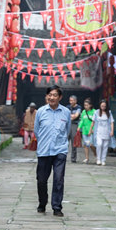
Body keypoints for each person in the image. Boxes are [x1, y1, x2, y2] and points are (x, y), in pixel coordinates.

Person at [33, 86, 70, 217]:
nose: (51, 97)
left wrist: (63, 144)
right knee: (41, 180)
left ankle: (57, 207)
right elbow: (36, 131)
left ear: (60, 97)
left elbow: (67, 130)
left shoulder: (66, 112)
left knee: (59, 179)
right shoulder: (40, 112)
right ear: (46, 96)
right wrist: (44, 141)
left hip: (60, 150)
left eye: (54, 95)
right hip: (44, 150)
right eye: (49, 95)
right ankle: (42, 203)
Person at [90, 99, 114, 166]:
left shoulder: (109, 112)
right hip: (98, 131)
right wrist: (91, 129)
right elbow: (93, 121)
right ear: (100, 106)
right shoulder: (97, 112)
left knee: (105, 146)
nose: (103, 107)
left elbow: (112, 122)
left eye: (104, 106)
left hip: (106, 131)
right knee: (99, 144)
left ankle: (103, 160)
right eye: (102, 106)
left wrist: (112, 131)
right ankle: (98, 159)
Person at [77, 98, 95, 163]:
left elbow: (95, 122)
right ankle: (87, 158)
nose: (85, 107)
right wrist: (79, 127)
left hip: (92, 131)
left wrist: (93, 129)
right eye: (85, 105)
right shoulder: (83, 112)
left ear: (90, 105)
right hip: (85, 131)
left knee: (91, 144)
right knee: (85, 145)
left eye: (87, 105)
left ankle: (95, 153)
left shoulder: (94, 112)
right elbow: (82, 120)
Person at [67, 95, 81, 160]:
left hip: (74, 125)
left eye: (72, 100)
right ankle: (63, 156)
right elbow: (65, 116)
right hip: (67, 125)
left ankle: (73, 158)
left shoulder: (78, 107)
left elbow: (76, 116)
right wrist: (72, 116)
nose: (71, 102)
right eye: (70, 100)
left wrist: (71, 116)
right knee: (65, 141)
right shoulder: (67, 107)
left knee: (73, 142)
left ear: (75, 101)